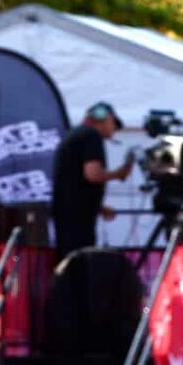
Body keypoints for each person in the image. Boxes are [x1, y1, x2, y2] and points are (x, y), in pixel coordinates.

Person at [51, 102, 133, 261]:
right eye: (113, 124)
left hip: (69, 215)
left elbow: (74, 181)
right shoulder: (91, 135)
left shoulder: (77, 134)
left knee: (69, 263)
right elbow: (92, 174)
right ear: (104, 117)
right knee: (79, 263)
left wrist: (99, 206)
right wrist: (119, 174)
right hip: (77, 219)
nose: (114, 130)